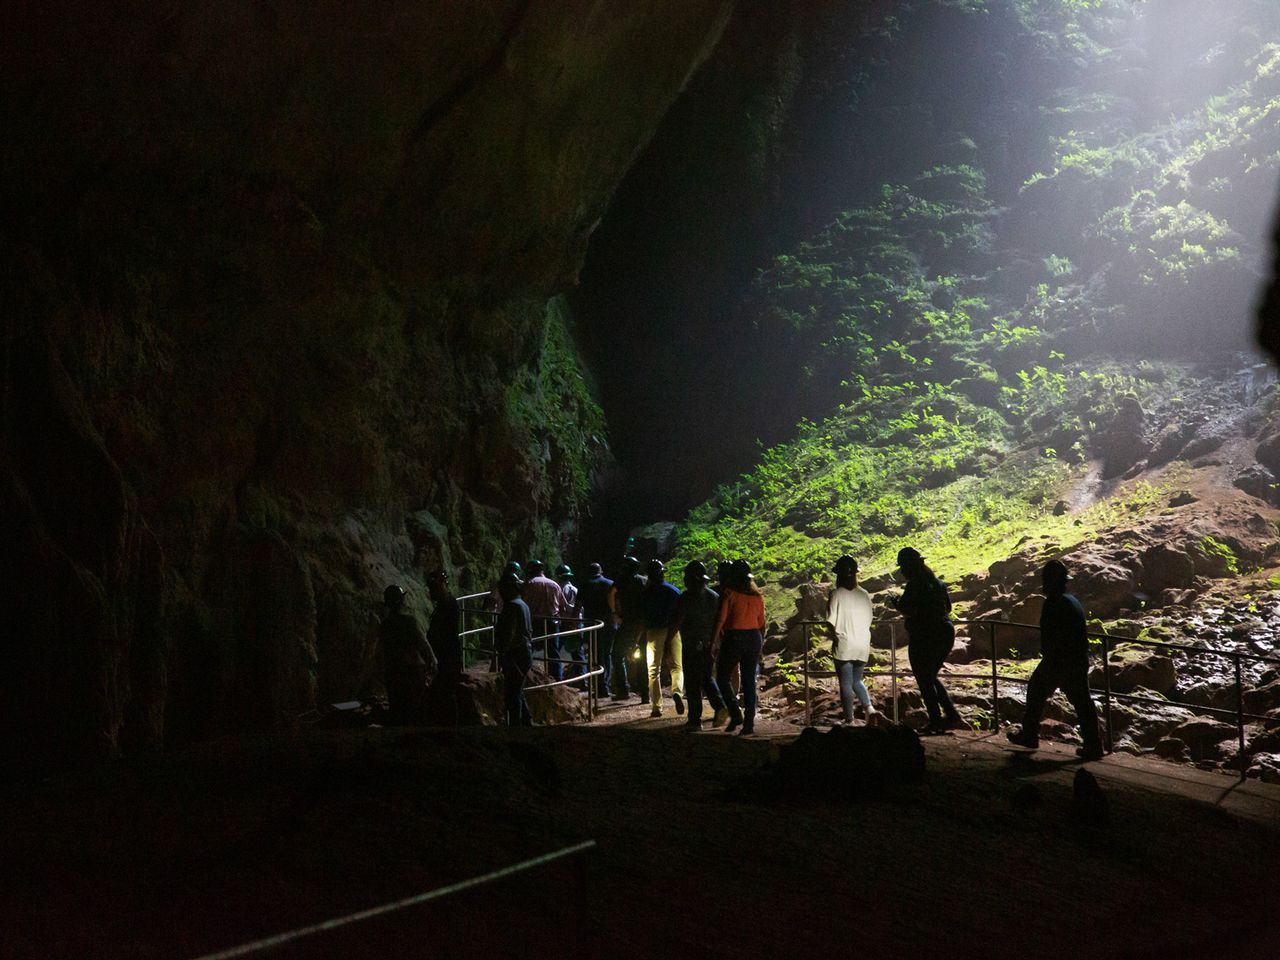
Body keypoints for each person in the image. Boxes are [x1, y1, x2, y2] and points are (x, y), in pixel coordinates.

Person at [1006, 560, 1105, 761]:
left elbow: (1051, 635)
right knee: (1083, 702)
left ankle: (1030, 735)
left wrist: (1050, 659)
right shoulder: (1072, 600)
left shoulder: (1055, 602)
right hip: (1076, 659)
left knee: (1036, 691)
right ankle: (1094, 745)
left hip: (1060, 660)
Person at [892, 546, 963, 735]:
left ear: (909, 567)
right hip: (944, 632)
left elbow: (907, 609)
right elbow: (947, 607)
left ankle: (936, 720)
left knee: (924, 678)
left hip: (925, 635)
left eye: (903, 567)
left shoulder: (915, 584)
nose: (902, 571)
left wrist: (897, 605)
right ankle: (950, 715)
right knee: (929, 676)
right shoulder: (937, 582)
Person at [668, 560, 726, 730]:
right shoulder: (714, 597)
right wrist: (716, 643)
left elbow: (677, 622)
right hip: (709, 644)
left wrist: (667, 643)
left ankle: (695, 720)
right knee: (707, 678)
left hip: (691, 644)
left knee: (693, 683)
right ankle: (720, 706)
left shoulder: (686, 598)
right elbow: (719, 623)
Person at [712, 559, 766, 735]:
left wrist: (713, 641)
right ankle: (749, 723)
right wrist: (761, 644)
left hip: (735, 637)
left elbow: (721, 619)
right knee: (750, 681)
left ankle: (735, 713)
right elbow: (761, 623)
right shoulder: (758, 596)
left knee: (722, 678)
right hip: (754, 637)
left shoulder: (729, 594)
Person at [827, 555, 879, 726]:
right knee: (858, 680)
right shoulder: (864, 595)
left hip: (844, 643)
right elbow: (870, 619)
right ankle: (869, 709)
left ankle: (849, 719)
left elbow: (830, 621)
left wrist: (834, 636)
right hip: (862, 642)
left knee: (846, 683)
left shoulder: (836, 594)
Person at [380, 584, 436, 723]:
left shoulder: (385, 625)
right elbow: (422, 642)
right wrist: (432, 661)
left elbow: (381, 651)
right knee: (415, 710)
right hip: (413, 671)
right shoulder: (408, 621)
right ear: (400, 602)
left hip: (394, 672)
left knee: (398, 711)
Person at [642, 559, 684, 717]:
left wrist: (636, 638)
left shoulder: (646, 594)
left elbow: (642, 617)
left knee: (654, 670)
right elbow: (681, 613)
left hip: (654, 632)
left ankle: (656, 707)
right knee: (676, 667)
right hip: (673, 630)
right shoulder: (673, 591)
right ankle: (677, 693)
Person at [495, 572, 534, 726]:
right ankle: (526, 722)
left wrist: (504, 653)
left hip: (515, 654)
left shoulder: (511, 606)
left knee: (512, 692)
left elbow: (509, 632)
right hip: (525, 652)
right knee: (517, 690)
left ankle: (516, 726)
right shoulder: (522, 604)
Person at [610, 556, 647, 702]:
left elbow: (611, 593)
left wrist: (615, 613)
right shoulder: (643, 581)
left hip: (628, 622)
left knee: (617, 655)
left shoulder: (621, 580)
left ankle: (623, 689)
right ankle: (645, 693)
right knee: (642, 656)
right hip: (643, 623)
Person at [578, 562, 616, 699]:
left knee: (595, 655)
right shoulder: (610, 584)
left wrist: (573, 624)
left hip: (591, 624)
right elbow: (615, 605)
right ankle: (605, 686)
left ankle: (599, 685)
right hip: (608, 624)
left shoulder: (583, 585)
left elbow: (578, 607)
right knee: (607, 654)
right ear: (601, 571)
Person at [524, 560, 566, 680]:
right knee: (553, 652)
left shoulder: (529, 584)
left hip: (534, 621)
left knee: (528, 649)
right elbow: (562, 605)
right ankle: (557, 679)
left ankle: (528, 677)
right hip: (552, 622)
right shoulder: (555, 584)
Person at [555, 563, 586, 687]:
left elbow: (563, 606)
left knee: (556, 650)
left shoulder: (561, 588)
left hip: (566, 622)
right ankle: (582, 680)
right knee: (578, 652)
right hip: (578, 622)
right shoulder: (575, 589)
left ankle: (559, 677)